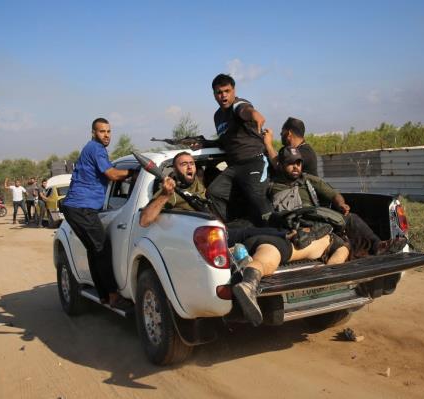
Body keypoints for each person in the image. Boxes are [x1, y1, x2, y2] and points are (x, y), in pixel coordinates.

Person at [139, 151, 348, 325]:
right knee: (251, 232)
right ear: (174, 169)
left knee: (252, 225)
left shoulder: (199, 185)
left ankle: (292, 235)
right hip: (215, 233)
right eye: (183, 164)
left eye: (192, 163)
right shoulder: (171, 190)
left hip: (227, 226)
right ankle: (291, 235)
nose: (189, 167)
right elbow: (145, 220)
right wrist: (166, 194)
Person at [270, 147, 407, 257]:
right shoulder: (271, 187)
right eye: (290, 163)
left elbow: (334, 194)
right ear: (281, 165)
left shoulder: (307, 180)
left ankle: (378, 246)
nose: (295, 167)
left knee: (350, 219)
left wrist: (341, 204)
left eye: (298, 163)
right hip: (292, 224)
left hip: (316, 218)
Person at [61, 117, 133, 309]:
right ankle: (112, 295)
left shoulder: (92, 149)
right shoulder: (96, 149)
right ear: (93, 133)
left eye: (109, 131)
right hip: (82, 208)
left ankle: (103, 296)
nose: (106, 135)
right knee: (102, 249)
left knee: (95, 251)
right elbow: (111, 174)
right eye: (102, 131)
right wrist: (134, 172)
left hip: (75, 208)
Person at [205, 73, 273, 225]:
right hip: (234, 166)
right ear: (214, 95)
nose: (223, 96)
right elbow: (224, 142)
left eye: (227, 91)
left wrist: (254, 114)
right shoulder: (217, 116)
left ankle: (277, 232)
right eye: (219, 92)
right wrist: (203, 144)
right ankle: (230, 228)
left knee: (256, 198)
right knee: (214, 192)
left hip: (254, 161)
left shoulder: (239, 104)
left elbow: (245, 110)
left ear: (234, 91)